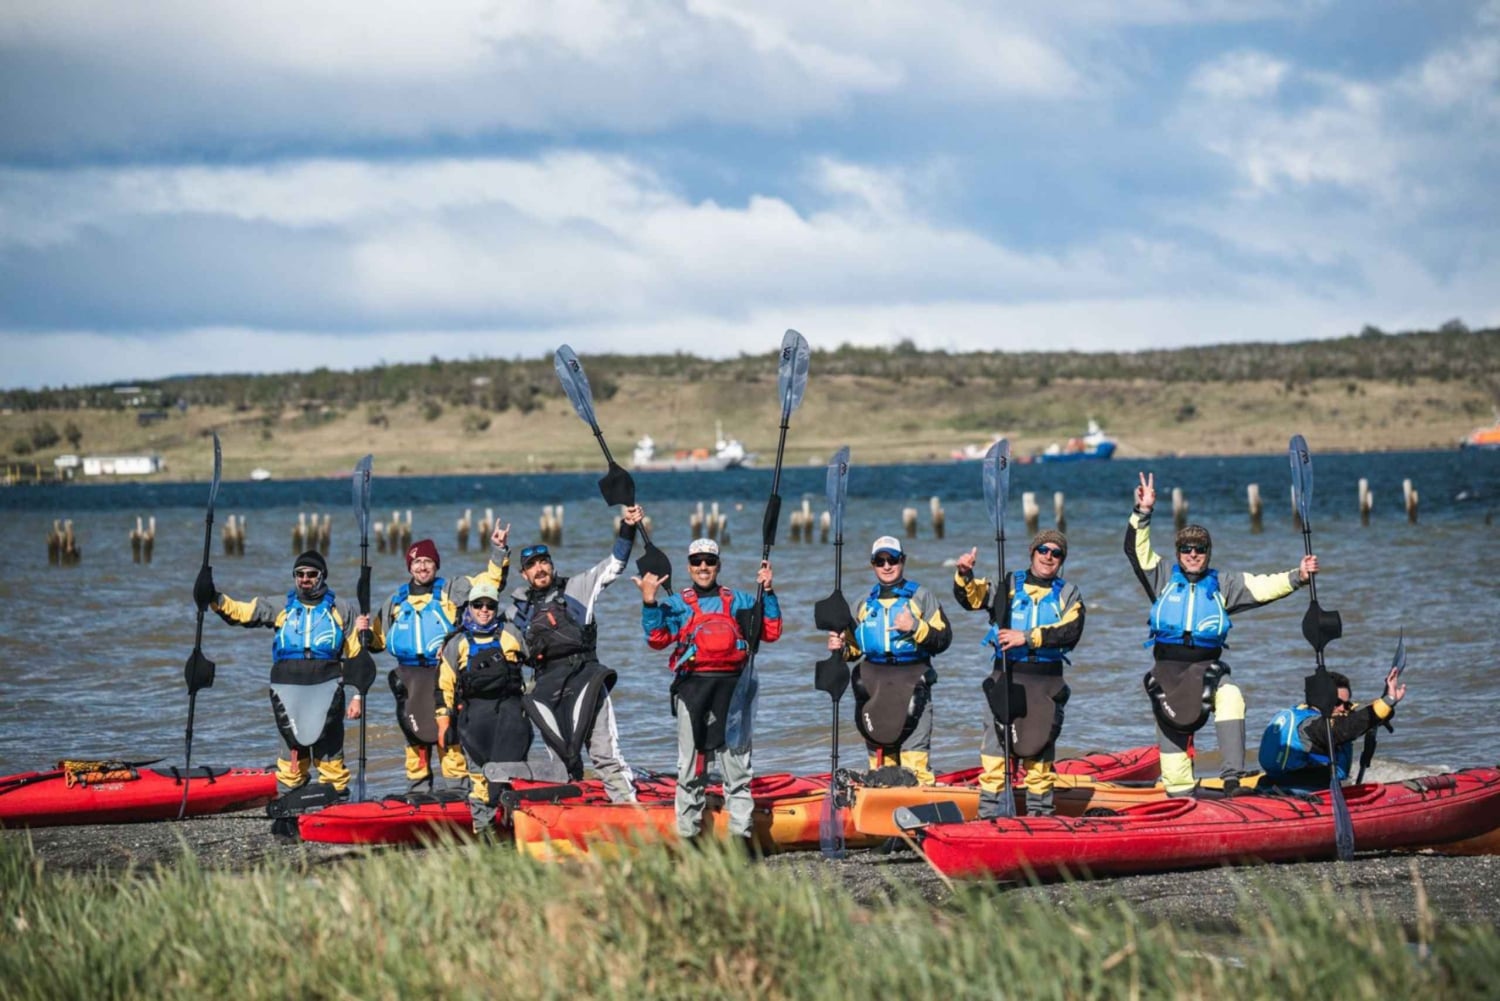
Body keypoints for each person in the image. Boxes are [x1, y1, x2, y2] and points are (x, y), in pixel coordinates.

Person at [1127, 472, 1319, 796]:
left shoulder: (1224, 585)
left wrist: (1297, 576)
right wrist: (1142, 512)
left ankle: (1232, 778)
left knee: (1231, 696)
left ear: (1208, 552)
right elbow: (1136, 549)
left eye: (1199, 548)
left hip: (1207, 670)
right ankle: (1182, 800)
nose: (1192, 553)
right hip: (1167, 674)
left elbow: (1263, 585)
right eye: (1186, 548)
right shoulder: (1160, 577)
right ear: (1177, 553)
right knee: (1175, 778)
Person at [195, 550, 366, 833]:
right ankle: (289, 813)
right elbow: (242, 612)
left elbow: (357, 655)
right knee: (292, 755)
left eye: (311, 574)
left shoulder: (342, 609)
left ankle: (337, 812)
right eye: (300, 574)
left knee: (330, 755)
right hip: (287, 688)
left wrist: (358, 694)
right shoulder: (281, 606)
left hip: (328, 686)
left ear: (322, 576)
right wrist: (213, 597)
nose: (305, 579)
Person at [635, 538, 779, 849]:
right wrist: (649, 602)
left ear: (718, 566)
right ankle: (689, 835)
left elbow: (771, 632)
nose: (703, 567)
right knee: (690, 768)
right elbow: (657, 638)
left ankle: (741, 835)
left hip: (734, 691)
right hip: (693, 690)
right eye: (697, 561)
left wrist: (768, 592)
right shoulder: (676, 605)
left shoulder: (739, 599)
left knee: (737, 767)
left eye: (709, 561)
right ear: (688, 566)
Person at [504, 505, 645, 803]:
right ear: (524, 574)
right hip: (547, 687)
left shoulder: (577, 587)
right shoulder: (514, 613)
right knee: (560, 762)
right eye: (532, 565)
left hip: (586, 678)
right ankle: (574, 812)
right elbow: (486, 628)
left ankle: (628, 809)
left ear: (552, 565)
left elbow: (615, 564)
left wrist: (628, 528)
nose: (540, 569)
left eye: (544, 562)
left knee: (604, 754)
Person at [365, 527, 510, 793]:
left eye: (428, 561)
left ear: (436, 565)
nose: (422, 567)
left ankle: (458, 789)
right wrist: (363, 633)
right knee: (414, 738)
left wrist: (498, 551)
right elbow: (377, 642)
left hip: (444, 675)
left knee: (449, 738)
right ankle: (418, 791)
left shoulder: (452, 588)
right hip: (408, 678)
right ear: (410, 566)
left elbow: (489, 583)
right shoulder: (395, 601)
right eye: (417, 561)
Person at [954, 529, 1085, 816]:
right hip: (1007, 675)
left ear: (1061, 560)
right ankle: (991, 813)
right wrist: (964, 575)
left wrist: (1026, 637)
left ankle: (1040, 814)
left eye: (1056, 553)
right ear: (1033, 552)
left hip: (1046, 681)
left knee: (1039, 753)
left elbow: (1071, 632)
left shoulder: (1068, 594)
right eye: (1043, 550)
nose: (1048, 556)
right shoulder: (1009, 584)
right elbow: (973, 599)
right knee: (995, 750)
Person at [827, 536, 952, 785]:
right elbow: (854, 649)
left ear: (902, 561)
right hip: (874, 684)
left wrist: (915, 626)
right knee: (880, 758)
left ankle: (919, 803)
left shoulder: (922, 598)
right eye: (880, 561)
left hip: (912, 680)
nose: (886, 566)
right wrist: (839, 647)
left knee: (914, 757)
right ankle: (881, 801)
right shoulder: (863, 603)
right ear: (873, 564)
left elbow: (943, 639)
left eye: (892, 559)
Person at [436, 579, 531, 835]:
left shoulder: (512, 634)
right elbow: (445, 684)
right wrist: (443, 722)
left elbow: (535, 666)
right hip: (474, 717)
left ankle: (515, 831)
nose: (484, 610)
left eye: (490, 605)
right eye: (478, 604)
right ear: (470, 607)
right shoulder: (456, 643)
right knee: (479, 778)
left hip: (510, 715)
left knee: (513, 775)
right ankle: (485, 832)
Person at [1258, 665, 1407, 791]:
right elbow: (1345, 728)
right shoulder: (1311, 726)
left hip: (1287, 783)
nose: (1343, 708)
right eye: (1337, 702)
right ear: (1322, 699)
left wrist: (1388, 705)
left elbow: (1361, 713)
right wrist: (1388, 702)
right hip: (1301, 791)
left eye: (1346, 704)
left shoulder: (1302, 711)